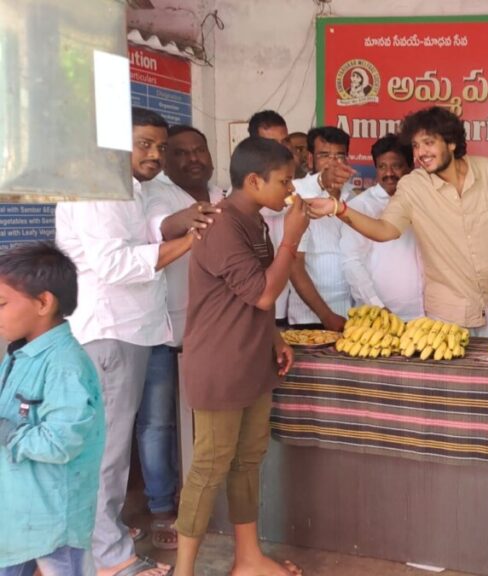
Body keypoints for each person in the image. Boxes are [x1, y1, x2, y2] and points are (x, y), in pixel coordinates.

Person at [56, 107, 190, 576]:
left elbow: (151, 228)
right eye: (144, 145)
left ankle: (101, 529)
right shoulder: (97, 192)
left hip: (134, 329)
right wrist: (189, 240)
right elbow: (115, 265)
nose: (154, 155)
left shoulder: (132, 190)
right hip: (110, 332)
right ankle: (109, 556)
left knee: (110, 446)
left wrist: (182, 225)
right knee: (107, 451)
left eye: (159, 146)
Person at [174, 137, 308, 576]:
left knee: (249, 461)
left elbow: (256, 302)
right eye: (284, 181)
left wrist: (274, 341)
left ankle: (248, 559)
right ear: (253, 181)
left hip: (253, 360)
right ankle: (184, 570)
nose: (291, 190)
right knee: (210, 466)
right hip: (219, 366)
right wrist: (292, 238)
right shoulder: (221, 226)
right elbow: (265, 291)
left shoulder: (256, 223)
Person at [308, 106, 488, 336]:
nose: (420, 153)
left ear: (452, 143)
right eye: (416, 146)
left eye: (428, 143)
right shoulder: (413, 185)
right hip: (449, 316)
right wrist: (339, 208)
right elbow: (385, 230)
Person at [137, 124, 225, 551]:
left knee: (209, 420)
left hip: (218, 329)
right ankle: (161, 508)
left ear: (210, 156)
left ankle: (210, 504)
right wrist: (182, 222)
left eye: (198, 151)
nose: (192, 159)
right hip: (167, 327)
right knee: (159, 423)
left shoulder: (224, 194)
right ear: (168, 161)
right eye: (181, 152)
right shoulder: (158, 193)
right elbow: (160, 225)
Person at [0, 243, 105, 576]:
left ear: (44, 302)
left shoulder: (65, 365)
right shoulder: (18, 353)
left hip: (53, 522)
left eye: (1, 304)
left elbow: (61, 441)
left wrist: (6, 431)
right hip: (17, 514)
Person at [339, 134, 424, 320]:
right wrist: (377, 306)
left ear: (410, 167)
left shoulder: (425, 201)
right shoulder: (361, 207)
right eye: (382, 167)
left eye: (396, 165)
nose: (389, 173)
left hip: (426, 315)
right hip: (379, 316)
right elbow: (352, 262)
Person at [288, 127, 355, 330]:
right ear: (310, 159)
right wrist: (326, 316)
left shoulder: (355, 197)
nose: (333, 163)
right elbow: (294, 265)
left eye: (339, 156)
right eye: (325, 155)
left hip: (351, 314)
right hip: (310, 318)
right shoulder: (297, 191)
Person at [248, 110, 294, 325]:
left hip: (288, 308)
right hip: (256, 313)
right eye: (271, 144)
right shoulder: (239, 209)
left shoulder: (292, 189)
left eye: (285, 142)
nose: (281, 150)